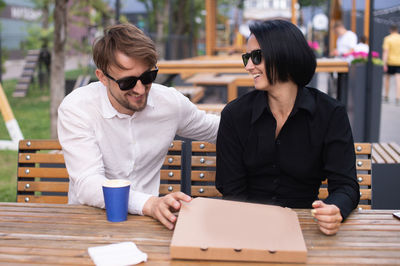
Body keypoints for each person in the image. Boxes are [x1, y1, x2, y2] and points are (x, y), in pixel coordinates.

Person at [57, 23, 220, 230]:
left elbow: (216, 129)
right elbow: (88, 183)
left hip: (147, 222)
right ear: (102, 78)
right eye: (127, 82)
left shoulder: (169, 102)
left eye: (147, 77)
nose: (140, 89)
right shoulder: (78, 108)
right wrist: (149, 204)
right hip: (89, 221)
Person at [216, 20, 360, 236]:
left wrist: (334, 209)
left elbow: (346, 185)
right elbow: (232, 190)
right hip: (246, 226)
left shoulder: (330, 113)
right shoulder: (235, 115)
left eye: (256, 57)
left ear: (283, 55)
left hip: (307, 228)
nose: (248, 66)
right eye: (247, 58)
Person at [382, 24, 400, 105]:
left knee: (387, 78)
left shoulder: (388, 39)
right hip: (399, 62)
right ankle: (397, 97)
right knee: (398, 79)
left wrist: (384, 63)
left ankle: (386, 95)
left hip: (390, 61)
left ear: (390, 30)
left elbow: (386, 51)